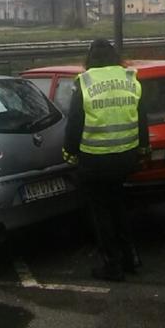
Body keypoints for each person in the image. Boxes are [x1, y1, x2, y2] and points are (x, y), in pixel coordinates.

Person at [63, 38, 149, 282]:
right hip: (125, 157)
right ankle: (131, 258)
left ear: (90, 57)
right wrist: (143, 148)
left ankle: (112, 265)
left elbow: (74, 123)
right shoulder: (129, 79)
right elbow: (141, 117)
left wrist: (69, 152)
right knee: (118, 205)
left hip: (95, 160)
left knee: (101, 213)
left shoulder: (86, 82)